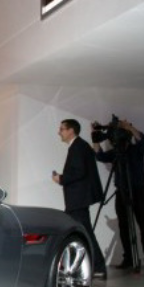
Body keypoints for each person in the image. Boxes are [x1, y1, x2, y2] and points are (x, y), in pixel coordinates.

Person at [92, 119, 144, 273]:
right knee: (123, 226)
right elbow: (99, 156)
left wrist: (129, 127)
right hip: (122, 191)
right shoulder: (115, 153)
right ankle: (129, 258)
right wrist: (95, 137)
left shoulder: (136, 149)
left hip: (139, 191)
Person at [52, 119, 107, 278]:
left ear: (71, 130)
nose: (59, 132)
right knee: (82, 233)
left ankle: (98, 267)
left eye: (62, 129)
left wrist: (61, 179)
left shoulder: (77, 147)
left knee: (84, 233)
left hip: (78, 200)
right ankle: (90, 266)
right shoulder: (79, 146)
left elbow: (79, 172)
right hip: (78, 200)